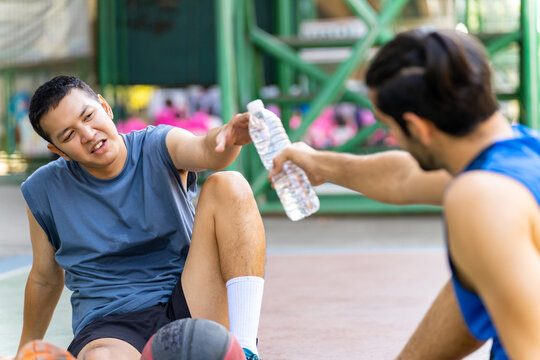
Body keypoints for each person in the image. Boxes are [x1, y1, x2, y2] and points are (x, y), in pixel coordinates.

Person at [272, 28, 540, 359]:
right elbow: (403, 176)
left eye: (391, 127)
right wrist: (320, 164)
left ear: (418, 127)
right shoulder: (520, 158)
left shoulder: (479, 197)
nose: (394, 138)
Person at [16, 76, 266, 360]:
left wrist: (230, 137)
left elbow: (208, 152)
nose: (87, 134)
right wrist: (25, 349)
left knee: (229, 184)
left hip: (190, 295)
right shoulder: (43, 189)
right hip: (111, 322)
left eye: (88, 116)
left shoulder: (158, 144)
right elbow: (45, 278)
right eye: (68, 135)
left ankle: (246, 350)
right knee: (102, 358)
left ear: (105, 107)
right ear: (58, 151)